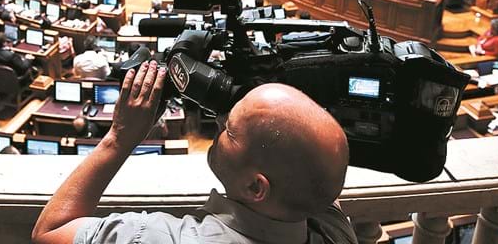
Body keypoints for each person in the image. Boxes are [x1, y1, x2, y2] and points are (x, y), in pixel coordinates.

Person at [32, 64, 355, 244]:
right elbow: (321, 165)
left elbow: (49, 234)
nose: (219, 120)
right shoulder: (338, 233)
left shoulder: (159, 238)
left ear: (256, 187)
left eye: (230, 130)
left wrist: (119, 138)